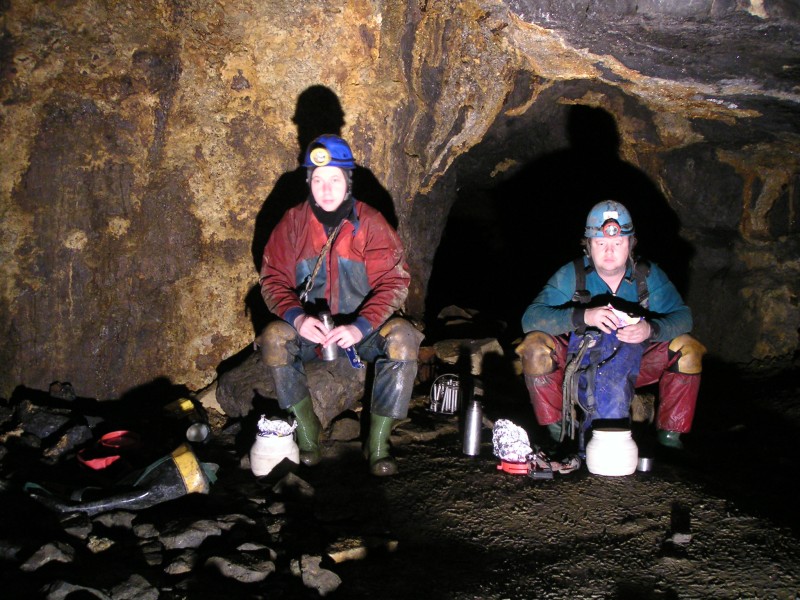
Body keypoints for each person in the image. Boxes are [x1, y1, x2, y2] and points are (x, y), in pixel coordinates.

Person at [258, 134, 423, 476]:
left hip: (361, 331)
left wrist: (360, 326)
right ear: (308, 182)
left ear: (348, 181)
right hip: (312, 332)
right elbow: (272, 279)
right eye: (318, 180)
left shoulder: (371, 222)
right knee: (275, 336)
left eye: (335, 179)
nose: (326, 189)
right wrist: (297, 318)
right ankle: (308, 434)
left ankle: (377, 444)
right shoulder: (292, 223)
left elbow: (395, 283)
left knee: (404, 337)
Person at [516, 200, 706, 450]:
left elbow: (683, 318)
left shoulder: (647, 276)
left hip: (635, 362)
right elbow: (530, 319)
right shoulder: (573, 275)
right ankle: (558, 432)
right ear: (588, 246)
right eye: (600, 243)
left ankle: (669, 440)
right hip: (579, 361)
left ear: (630, 244)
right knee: (534, 347)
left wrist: (650, 329)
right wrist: (584, 316)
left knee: (689, 349)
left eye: (618, 243)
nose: (609, 251)